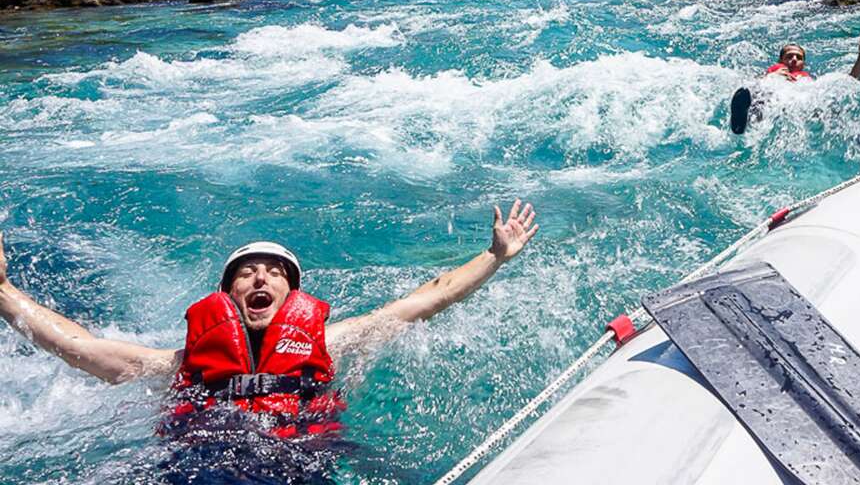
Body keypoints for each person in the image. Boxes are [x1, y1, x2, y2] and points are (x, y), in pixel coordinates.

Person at [0, 199, 540, 437]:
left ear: (292, 293)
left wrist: (494, 257)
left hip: (303, 460)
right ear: (227, 294)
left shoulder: (330, 341)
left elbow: (427, 298)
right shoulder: (181, 363)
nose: (260, 279)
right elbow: (79, 348)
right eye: (247, 273)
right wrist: (1, 290)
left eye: (274, 274)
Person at [730, 33, 860, 133]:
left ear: (803, 64)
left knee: (836, 99)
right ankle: (741, 122)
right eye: (789, 56)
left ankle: (859, 134)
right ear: (781, 61)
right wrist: (771, 77)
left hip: (800, 103)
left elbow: (851, 82)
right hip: (773, 98)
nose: (794, 59)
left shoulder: (808, 81)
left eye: (798, 57)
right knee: (760, 92)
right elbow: (754, 84)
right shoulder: (775, 73)